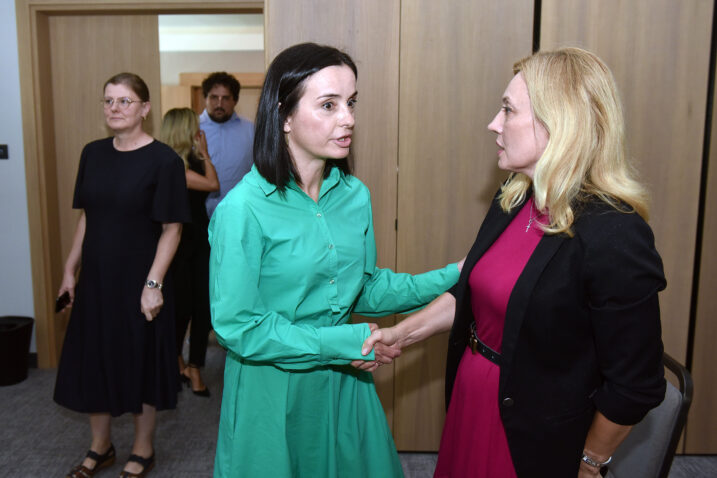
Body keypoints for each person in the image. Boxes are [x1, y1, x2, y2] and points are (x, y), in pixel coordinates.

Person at [361, 47, 667, 478]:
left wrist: (589, 463)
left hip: (534, 432)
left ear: (557, 122)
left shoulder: (614, 233)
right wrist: (402, 334)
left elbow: (636, 384)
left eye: (508, 110)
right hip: (474, 399)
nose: (494, 123)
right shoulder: (515, 196)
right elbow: (472, 292)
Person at [208, 42, 462, 478]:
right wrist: (342, 343)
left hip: (345, 381)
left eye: (351, 103)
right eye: (329, 105)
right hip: (274, 390)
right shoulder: (243, 209)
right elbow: (239, 326)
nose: (348, 118)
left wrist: (457, 273)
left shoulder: (354, 195)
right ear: (284, 116)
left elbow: (363, 287)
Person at [54, 73, 190, 478]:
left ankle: (143, 449)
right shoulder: (92, 153)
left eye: (124, 101)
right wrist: (69, 269)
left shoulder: (164, 161)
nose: (114, 108)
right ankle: (101, 446)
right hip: (97, 281)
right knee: (95, 359)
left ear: (145, 108)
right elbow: (87, 217)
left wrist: (153, 284)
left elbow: (172, 229)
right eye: (109, 100)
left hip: (140, 281)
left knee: (139, 363)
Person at [160, 108, 219, 396]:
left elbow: (212, 184)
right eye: (194, 126)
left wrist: (203, 153)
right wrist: (205, 152)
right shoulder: (170, 165)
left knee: (203, 307)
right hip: (178, 242)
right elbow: (212, 184)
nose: (199, 131)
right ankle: (178, 361)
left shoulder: (193, 161)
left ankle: (194, 365)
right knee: (180, 308)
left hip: (200, 240)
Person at [200, 72, 254, 217]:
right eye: (214, 97)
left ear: (235, 100)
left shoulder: (250, 130)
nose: (219, 104)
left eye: (225, 98)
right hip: (198, 215)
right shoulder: (192, 128)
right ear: (205, 98)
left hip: (239, 213)